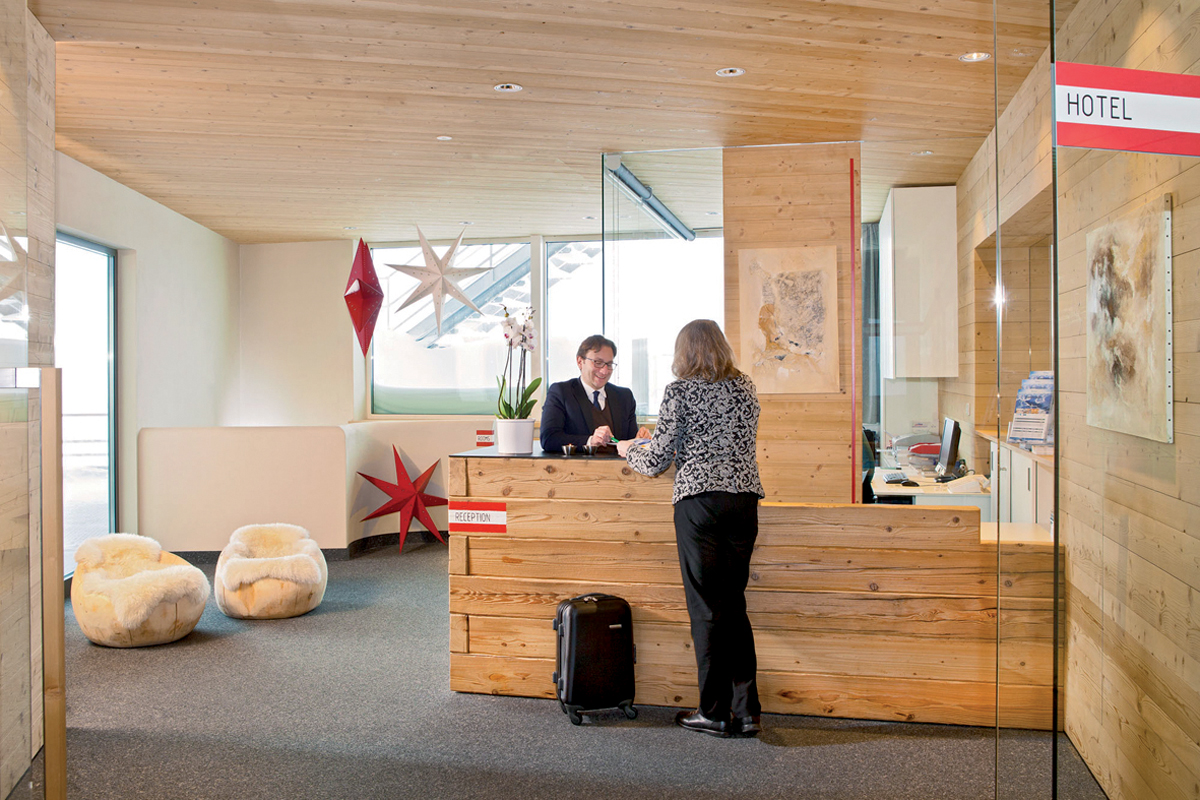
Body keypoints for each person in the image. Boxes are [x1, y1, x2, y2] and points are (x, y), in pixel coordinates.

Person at [617, 319, 764, 738]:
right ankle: (747, 712)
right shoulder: (745, 387)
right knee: (733, 605)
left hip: (699, 502)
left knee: (707, 609)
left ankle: (713, 712)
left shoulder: (679, 391)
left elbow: (657, 459)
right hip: (743, 500)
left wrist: (629, 450)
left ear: (684, 352)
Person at [539, 334, 650, 452]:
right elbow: (549, 439)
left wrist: (638, 440)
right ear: (580, 362)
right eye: (597, 362)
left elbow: (628, 442)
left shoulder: (624, 397)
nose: (604, 371)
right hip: (580, 464)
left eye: (609, 364)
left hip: (618, 464)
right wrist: (590, 441)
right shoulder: (561, 392)